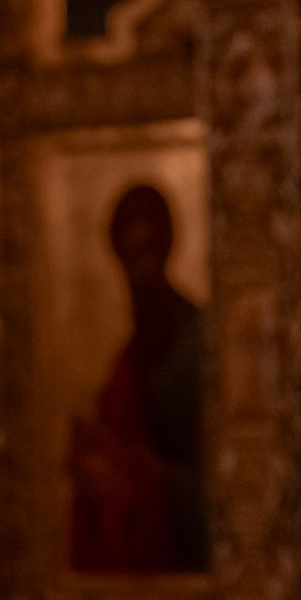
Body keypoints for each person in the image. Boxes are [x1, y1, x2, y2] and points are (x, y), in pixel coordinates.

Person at [67, 181, 206, 573]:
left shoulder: (199, 346)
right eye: (131, 252)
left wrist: (144, 479)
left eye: (148, 249)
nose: (140, 264)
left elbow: (229, 490)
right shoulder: (127, 361)